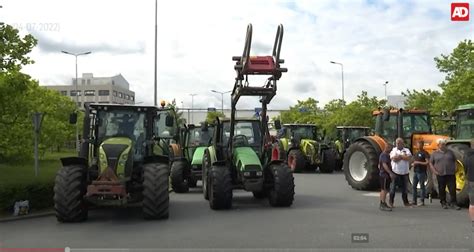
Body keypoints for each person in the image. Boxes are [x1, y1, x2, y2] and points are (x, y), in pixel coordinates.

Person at [429, 139, 461, 210]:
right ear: (438, 145)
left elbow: (455, 161)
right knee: (441, 189)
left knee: (452, 189)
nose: (443, 146)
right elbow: (431, 163)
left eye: (444, 144)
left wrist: (456, 168)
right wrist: (434, 171)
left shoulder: (450, 152)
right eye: (442, 144)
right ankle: (443, 202)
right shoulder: (434, 153)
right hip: (440, 174)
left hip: (450, 174)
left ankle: (454, 203)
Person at [389, 138, 412, 207]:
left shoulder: (407, 150)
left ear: (403, 143)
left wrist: (400, 156)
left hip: (405, 172)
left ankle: (406, 202)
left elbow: (408, 158)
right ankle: (391, 202)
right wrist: (403, 157)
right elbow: (394, 159)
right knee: (393, 188)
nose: (398, 144)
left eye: (400, 143)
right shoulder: (393, 150)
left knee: (405, 189)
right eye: (397, 143)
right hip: (395, 172)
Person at [411, 140, 430, 206]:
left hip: (422, 172)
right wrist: (413, 164)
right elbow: (413, 161)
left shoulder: (425, 153)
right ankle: (414, 200)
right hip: (415, 172)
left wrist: (418, 162)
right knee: (414, 186)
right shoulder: (416, 153)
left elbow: (427, 162)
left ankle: (422, 201)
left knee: (422, 186)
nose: (419, 145)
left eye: (420, 144)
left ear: (422, 145)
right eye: (418, 144)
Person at [379, 144, 396, 211]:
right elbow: (384, 165)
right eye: (390, 149)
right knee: (384, 190)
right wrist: (390, 173)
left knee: (384, 189)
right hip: (384, 175)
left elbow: (379, 165)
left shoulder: (385, 155)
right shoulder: (384, 155)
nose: (391, 150)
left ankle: (382, 203)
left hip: (384, 175)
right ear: (387, 148)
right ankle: (383, 204)